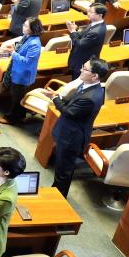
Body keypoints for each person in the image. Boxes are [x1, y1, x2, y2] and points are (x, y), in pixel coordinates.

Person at [46, 59, 108, 196]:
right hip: (69, 133)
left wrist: (55, 98)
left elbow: (69, 112)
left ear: (95, 76)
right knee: (62, 168)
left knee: (64, 171)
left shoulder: (90, 97)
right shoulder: (88, 86)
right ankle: (55, 191)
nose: (81, 70)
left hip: (71, 138)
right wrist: (60, 97)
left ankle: (58, 198)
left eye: (85, 69)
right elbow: (73, 101)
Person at [0, 18, 43, 125]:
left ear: (33, 29)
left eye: (26, 26)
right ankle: (21, 116)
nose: (23, 27)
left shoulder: (35, 44)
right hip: (17, 71)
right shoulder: (27, 37)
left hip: (22, 75)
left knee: (16, 98)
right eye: (24, 24)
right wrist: (13, 49)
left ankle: (12, 119)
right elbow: (21, 50)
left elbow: (27, 62)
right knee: (18, 96)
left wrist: (13, 53)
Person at [67, 4, 107, 79]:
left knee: (78, 85)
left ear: (100, 15)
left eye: (91, 12)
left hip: (84, 65)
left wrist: (72, 31)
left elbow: (79, 44)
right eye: (88, 11)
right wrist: (75, 30)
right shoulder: (95, 24)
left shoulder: (96, 31)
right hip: (80, 61)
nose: (87, 13)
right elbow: (82, 34)